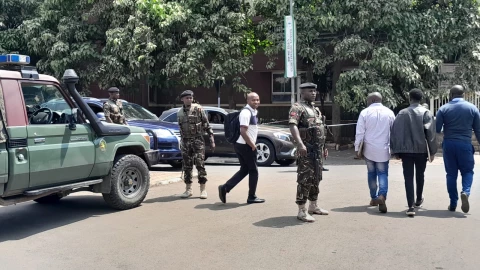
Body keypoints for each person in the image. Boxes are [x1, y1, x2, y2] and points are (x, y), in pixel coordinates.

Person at [390, 89, 437, 217]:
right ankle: (418, 199)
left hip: (406, 151)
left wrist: (395, 151)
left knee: (408, 177)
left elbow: (395, 133)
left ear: (409, 98)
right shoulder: (426, 113)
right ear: (421, 99)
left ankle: (410, 206)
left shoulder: (401, 113)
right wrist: (432, 151)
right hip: (421, 150)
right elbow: (431, 134)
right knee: (420, 175)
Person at [288, 83, 329, 222]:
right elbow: (293, 125)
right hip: (306, 150)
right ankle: (301, 210)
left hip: (317, 150)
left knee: (316, 178)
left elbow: (321, 128)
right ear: (302, 93)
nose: (314, 93)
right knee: (304, 179)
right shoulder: (298, 107)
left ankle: (313, 205)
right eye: (310, 91)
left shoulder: (315, 109)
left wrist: (324, 147)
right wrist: (300, 144)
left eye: (314, 91)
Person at [436, 85, 480, 213]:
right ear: (463, 94)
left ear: (451, 95)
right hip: (465, 144)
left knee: (451, 174)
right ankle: (465, 192)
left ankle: (453, 203)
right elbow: (478, 130)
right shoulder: (473, 108)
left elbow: (437, 129)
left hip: (449, 144)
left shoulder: (443, 109)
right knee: (467, 171)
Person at [218, 92, 265, 204]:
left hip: (242, 145)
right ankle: (251, 196)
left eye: (258, 100)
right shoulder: (245, 112)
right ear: (247, 101)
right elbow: (243, 131)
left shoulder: (253, 111)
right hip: (245, 146)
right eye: (253, 100)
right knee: (254, 171)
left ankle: (225, 187)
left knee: (245, 169)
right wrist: (252, 145)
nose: (256, 102)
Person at [354, 92, 395, 213]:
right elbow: (394, 132)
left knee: (371, 173)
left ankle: (373, 198)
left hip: (369, 149)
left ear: (372, 100)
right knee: (383, 173)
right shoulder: (389, 112)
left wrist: (357, 148)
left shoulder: (364, 113)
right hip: (383, 148)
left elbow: (360, 132)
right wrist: (394, 149)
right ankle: (382, 196)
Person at [177, 90, 215, 199]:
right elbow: (180, 128)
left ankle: (203, 189)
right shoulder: (179, 112)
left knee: (199, 164)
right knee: (187, 166)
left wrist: (212, 139)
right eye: (187, 98)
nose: (189, 99)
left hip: (197, 140)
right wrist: (182, 142)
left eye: (190, 97)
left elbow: (206, 124)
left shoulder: (198, 109)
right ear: (182, 99)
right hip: (185, 141)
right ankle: (188, 189)